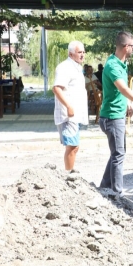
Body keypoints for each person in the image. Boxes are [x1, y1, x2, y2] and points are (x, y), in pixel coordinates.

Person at [99, 31, 133, 196]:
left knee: (117, 153)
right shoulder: (112, 66)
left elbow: (122, 91)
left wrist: (129, 103)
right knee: (118, 154)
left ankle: (104, 188)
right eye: (132, 46)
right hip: (111, 117)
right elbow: (123, 88)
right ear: (125, 47)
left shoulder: (121, 64)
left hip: (117, 115)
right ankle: (117, 194)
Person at [52, 41, 89, 172]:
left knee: (74, 146)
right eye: (80, 52)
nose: (83, 55)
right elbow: (56, 88)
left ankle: (70, 171)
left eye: (84, 52)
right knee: (72, 146)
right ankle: (68, 174)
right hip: (68, 115)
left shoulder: (77, 67)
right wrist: (68, 106)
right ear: (71, 53)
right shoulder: (64, 67)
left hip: (75, 114)